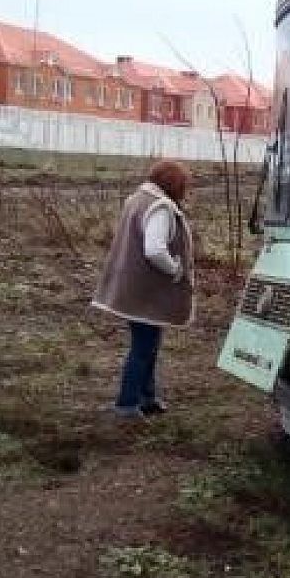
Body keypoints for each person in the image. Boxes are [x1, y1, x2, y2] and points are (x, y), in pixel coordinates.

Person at [91, 159, 194, 418]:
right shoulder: (159, 207)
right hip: (143, 294)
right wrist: (175, 269)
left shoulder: (137, 199)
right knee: (142, 348)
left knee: (148, 344)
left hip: (134, 290)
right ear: (174, 184)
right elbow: (155, 249)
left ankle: (147, 398)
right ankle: (127, 404)